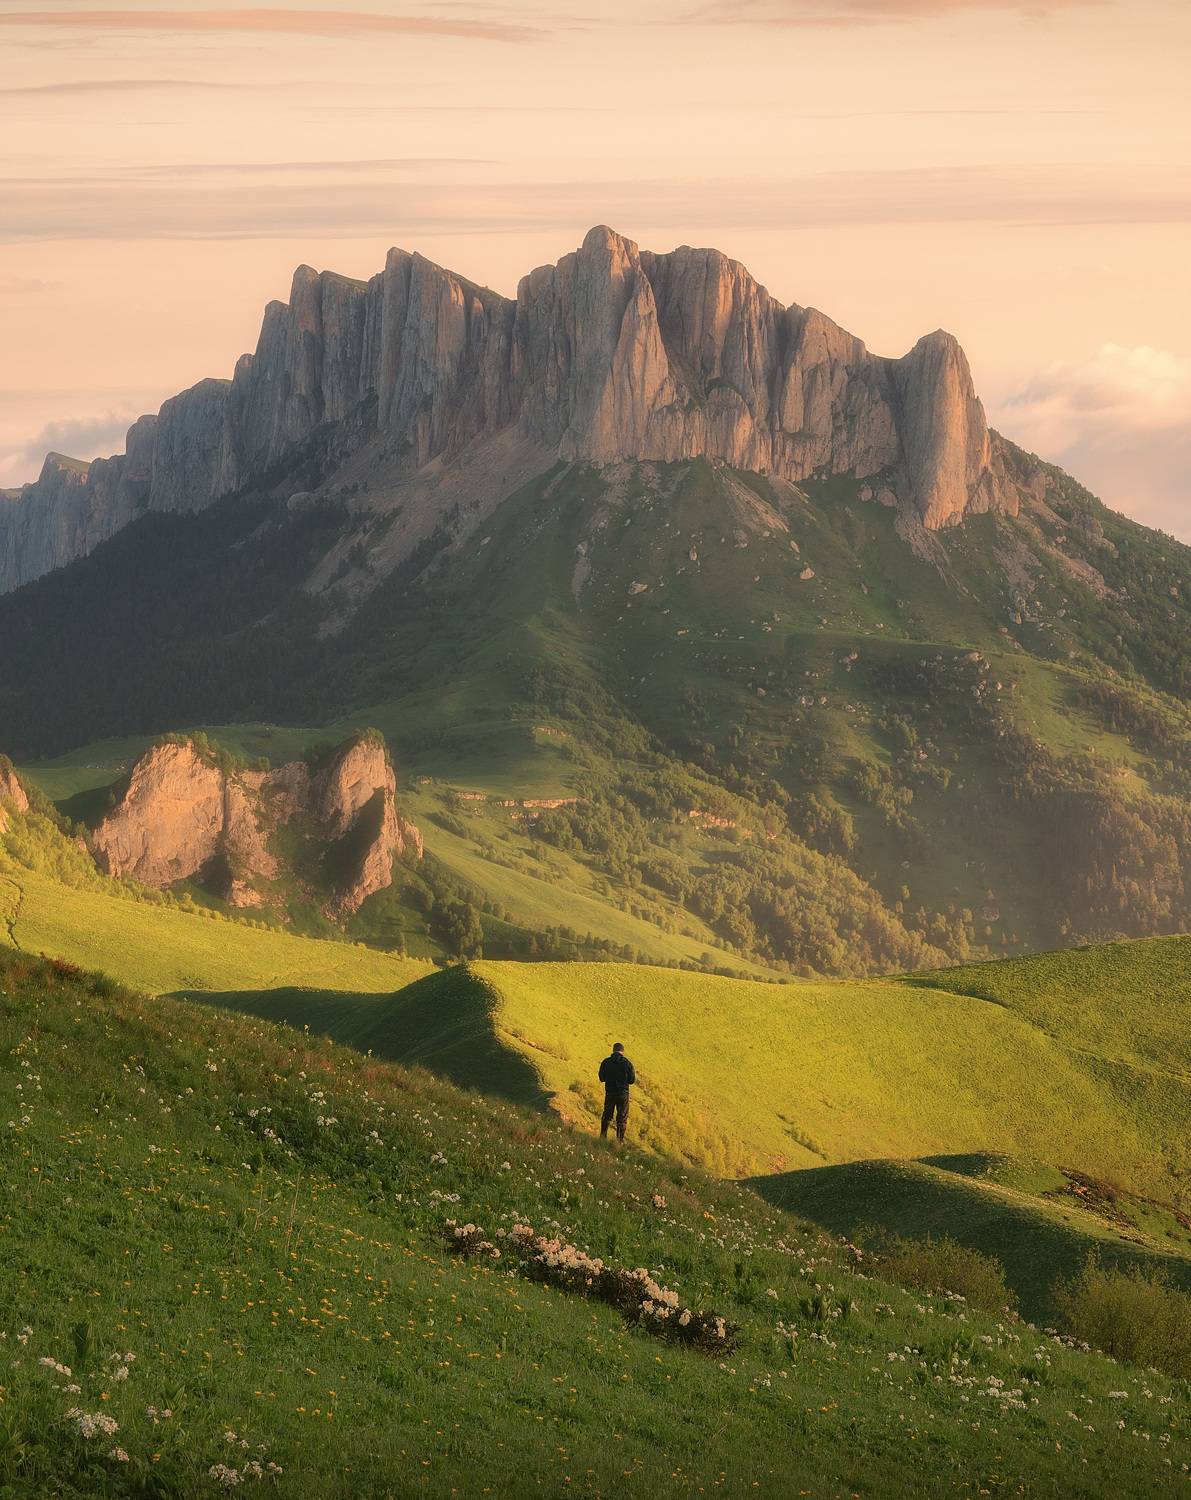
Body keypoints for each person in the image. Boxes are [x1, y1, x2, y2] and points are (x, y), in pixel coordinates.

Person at [598, 1042, 636, 1143]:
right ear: (622, 1052)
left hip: (610, 1093)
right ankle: (619, 1142)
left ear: (613, 1050)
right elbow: (632, 1080)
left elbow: (601, 1078)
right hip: (623, 1094)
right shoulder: (627, 1063)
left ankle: (602, 1138)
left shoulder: (606, 1062)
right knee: (622, 1118)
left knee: (607, 1115)